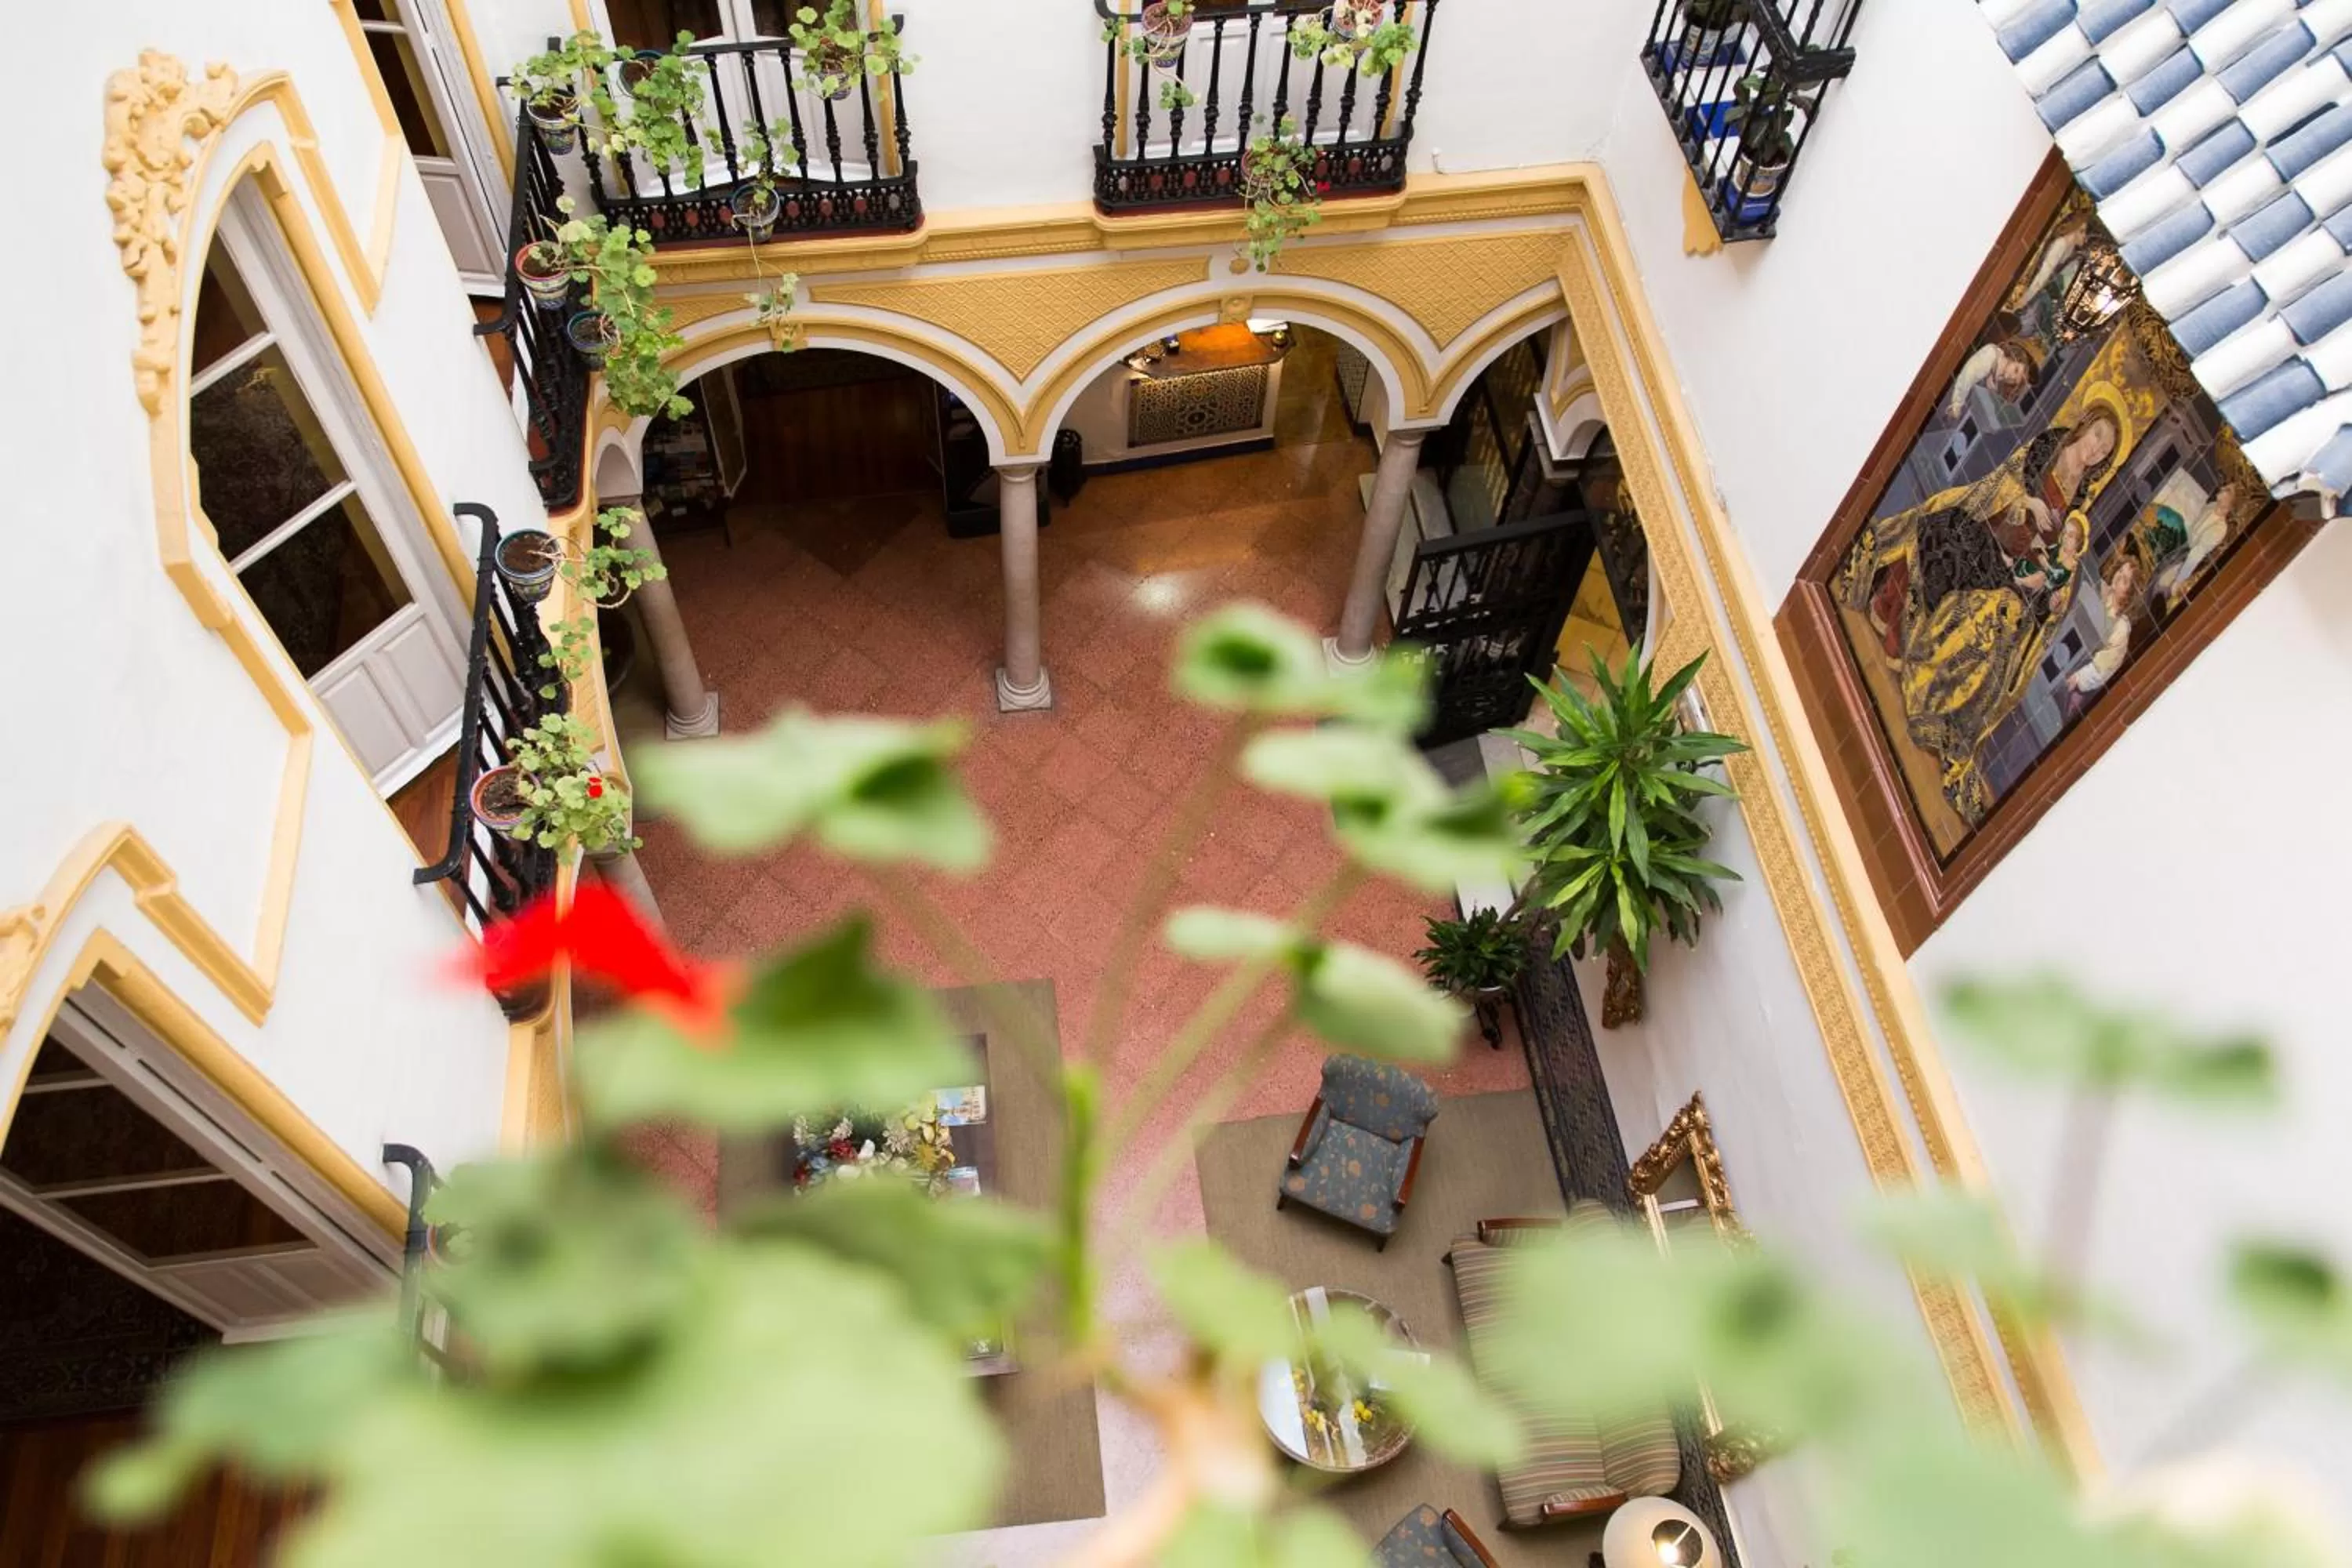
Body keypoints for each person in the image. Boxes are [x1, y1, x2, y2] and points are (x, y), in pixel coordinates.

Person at [1839, 407, 2122, 659]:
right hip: (1993, 521)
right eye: (2098, 435)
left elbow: (2057, 538)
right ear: (2086, 423)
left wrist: (2035, 557)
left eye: (2106, 450)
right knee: (1942, 534)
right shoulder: (2051, 444)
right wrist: (2029, 503)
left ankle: (1904, 633)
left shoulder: (2082, 491)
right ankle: (1889, 612)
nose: (2098, 449)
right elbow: (2007, 478)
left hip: (2019, 554)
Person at [1944, 336, 2045, 419]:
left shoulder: (1996, 377)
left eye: (2015, 380)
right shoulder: (1990, 356)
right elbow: (1967, 377)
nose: (2011, 376)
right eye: (2016, 370)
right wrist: (1956, 404)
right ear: (2014, 357)